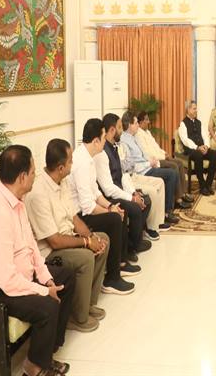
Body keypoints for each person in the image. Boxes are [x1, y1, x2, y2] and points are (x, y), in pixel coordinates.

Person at [0, 145, 75, 376]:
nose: (35, 176)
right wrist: (42, 291)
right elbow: (6, 280)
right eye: (33, 172)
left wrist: (47, 279)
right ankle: (34, 367)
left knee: (66, 277)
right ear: (22, 177)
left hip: (18, 278)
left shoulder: (17, 202)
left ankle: (46, 353)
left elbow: (32, 247)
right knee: (48, 306)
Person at [26, 139, 109, 333]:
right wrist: (86, 243)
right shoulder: (38, 193)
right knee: (86, 257)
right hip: (50, 252)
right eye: (71, 160)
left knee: (103, 240)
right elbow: (54, 241)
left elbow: (74, 218)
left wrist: (92, 237)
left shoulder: (61, 181)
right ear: (61, 167)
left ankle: (86, 305)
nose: (73, 163)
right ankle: (77, 317)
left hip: (68, 238)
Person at [67, 118, 138, 295]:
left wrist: (111, 206)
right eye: (104, 138)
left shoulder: (89, 157)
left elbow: (96, 193)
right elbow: (87, 206)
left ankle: (119, 264)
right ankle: (112, 279)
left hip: (86, 209)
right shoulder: (81, 162)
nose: (105, 141)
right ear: (96, 141)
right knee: (114, 219)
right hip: (78, 217)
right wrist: (109, 211)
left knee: (118, 211)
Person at [95, 113, 154, 255]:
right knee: (134, 208)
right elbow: (108, 189)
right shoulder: (102, 154)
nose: (122, 131)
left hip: (119, 191)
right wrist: (131, 198)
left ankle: (133, 242)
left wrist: (133, 193)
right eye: (120, 127)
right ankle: (131, 247)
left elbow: (122, 175)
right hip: (109, 198)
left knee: (145, 200)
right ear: (112, 130)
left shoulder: (114, 147)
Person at [120, 110, 180, 224]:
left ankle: (166, 210)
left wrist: (152, 160)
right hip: (141, 172)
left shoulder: (133, 137)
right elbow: (132, 166)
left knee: (171, 171)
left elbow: (143, 155)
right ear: (129, 125)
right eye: (136, 123)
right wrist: (149, 163)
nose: (138, 125)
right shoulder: (124, 142)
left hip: (147, 167)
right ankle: (167, 211)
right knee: (171, 174)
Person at [135, 110, 193, 208]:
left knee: (179, 163)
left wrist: (164, 153)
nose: (149, 122)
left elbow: (156, 147)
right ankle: (177, 199)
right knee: (174, 166)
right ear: (140, 122)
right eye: (146, 120)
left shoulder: (147, 132)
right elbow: (148, 153)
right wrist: (163, 157)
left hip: (160, 156)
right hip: (155, 160)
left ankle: (183, 193)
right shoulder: (138, 135)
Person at [178, 100, 216, 196]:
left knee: (214, 154)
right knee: (198, 155)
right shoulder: (183, 124)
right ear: (188, 110)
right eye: (194, 109)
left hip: (202, 148)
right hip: (191, 150)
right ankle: (202, 186)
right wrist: (197, 147)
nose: (196, 110)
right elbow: (185, 140)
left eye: (196, 109)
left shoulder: (199, 122)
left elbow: (205, 136)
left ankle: (208, 185)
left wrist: (206, 146)